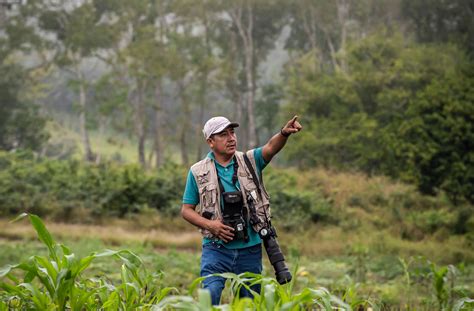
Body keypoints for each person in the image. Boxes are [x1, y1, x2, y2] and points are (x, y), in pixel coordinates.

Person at [181, 115, 302, 305]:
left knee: (247, 303)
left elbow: (270, 148)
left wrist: (284, 134)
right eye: (223, 135)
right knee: (210, 296)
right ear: (210, 142)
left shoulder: (250, 160)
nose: (231, 138)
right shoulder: (197, 171)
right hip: (216, 249)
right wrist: (211, 225)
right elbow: (186, 209)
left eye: (232, 132)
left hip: (250, 248)